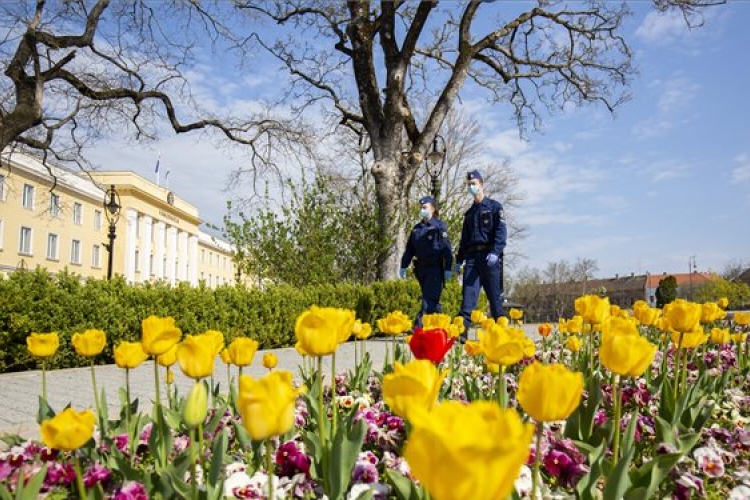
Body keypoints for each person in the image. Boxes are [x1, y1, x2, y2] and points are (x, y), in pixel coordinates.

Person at [454, 170, 507, 338]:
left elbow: (500, 232)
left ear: (481, 184)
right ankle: (462, 333)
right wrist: (459, 260)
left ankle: (502, 333)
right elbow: (464, 239)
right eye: (469, 184)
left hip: (489, 257)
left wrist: (495, 252)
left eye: (474, 183)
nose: (471, 186)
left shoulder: (494, 207)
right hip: (472, 259)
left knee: (495, 298)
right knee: (468, 297)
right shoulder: (469, 214)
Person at [399, 196, 454, 328]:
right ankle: (442, 325)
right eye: (421, 208)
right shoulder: (417, 229)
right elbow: (410, 249)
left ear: (433, 209)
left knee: (429, 299)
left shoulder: (439, 226)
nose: (422, 210)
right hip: (421, 269)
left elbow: (447, 249)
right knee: (432, 300)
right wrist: (403, 266)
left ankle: (418, 327)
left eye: (425, 207)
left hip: (434, 267)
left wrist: (447, 268)